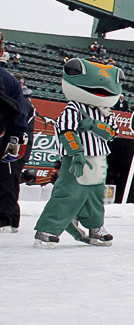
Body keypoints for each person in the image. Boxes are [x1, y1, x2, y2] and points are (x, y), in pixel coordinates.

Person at [34, 58, 122, 248]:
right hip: (78, 158)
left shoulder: (107, 112)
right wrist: (77, 153)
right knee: (68, 192)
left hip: (99, 157)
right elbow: (66, 131)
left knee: (95, 195)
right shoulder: (74, 108)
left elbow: (112, 133)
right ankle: (47, 229)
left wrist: (94, 125)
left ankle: (95, 227)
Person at [0, 66, 31, 233]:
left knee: (7, 182)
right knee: (7, 182)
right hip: (9, 141)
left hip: (9, 142)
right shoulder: (13, 86)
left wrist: (14, 143)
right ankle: (9, 220)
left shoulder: (24, 101)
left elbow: (21, 122)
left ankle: (8, 220)